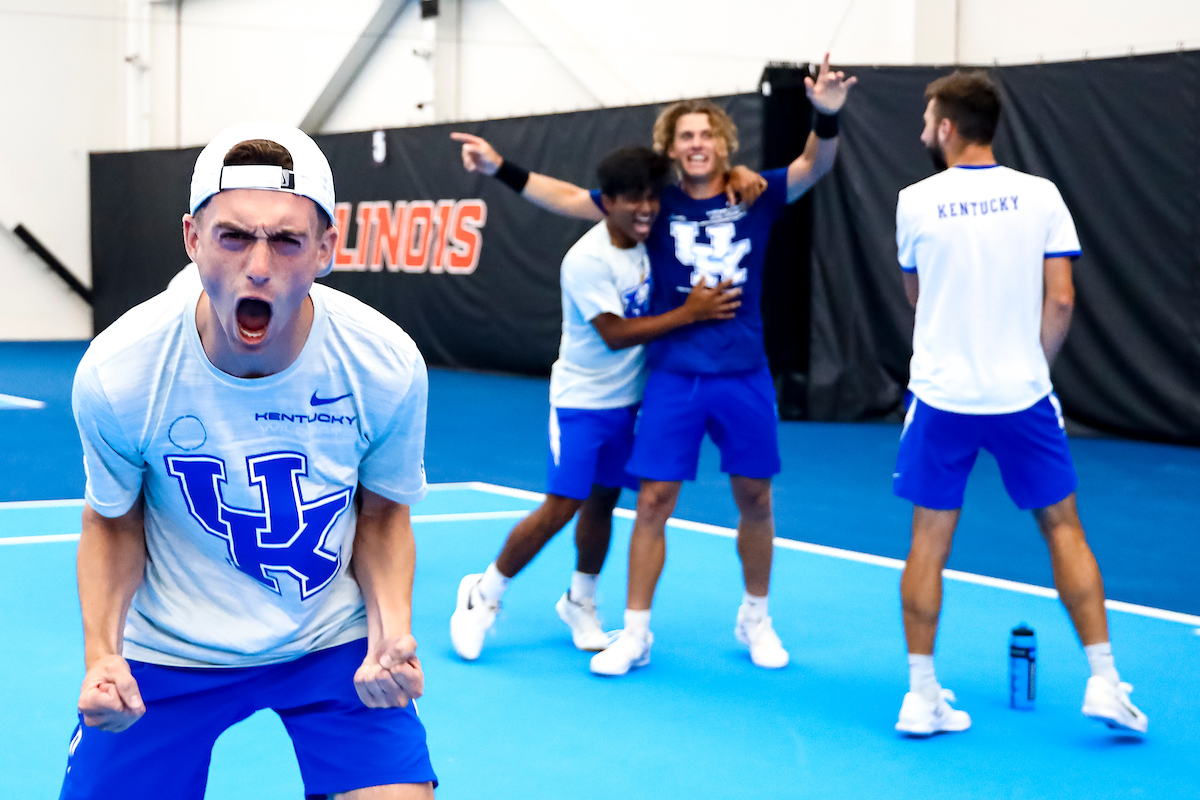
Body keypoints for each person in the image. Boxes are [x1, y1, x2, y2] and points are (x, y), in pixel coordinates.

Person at [62, 123, 438, 799]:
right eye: (234, 236)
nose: (258, 266)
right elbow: (113, 523)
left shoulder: (383, 364)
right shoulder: (122, 371)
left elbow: (382, 515)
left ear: (326, 247)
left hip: (328, 642)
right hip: (170, 652)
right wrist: (103, 655)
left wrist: (391, 633)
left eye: (287, 240)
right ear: (192, 239)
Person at [452, 54, 855, 676]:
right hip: (669, 377)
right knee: (650, 502)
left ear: (724, 142)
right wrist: (499, 167)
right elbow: (564, 197)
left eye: (707, 134)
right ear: (672, 148)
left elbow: (813, 165)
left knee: (754, 498)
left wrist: (824, 114)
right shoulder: (652, 206)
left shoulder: (757, 193)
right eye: (685, 135)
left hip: (745, 374)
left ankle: (755, 617)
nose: (697, 143)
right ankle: (633, 634)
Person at [891, 70, 1148, 736]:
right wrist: (1032, 366)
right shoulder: (1042, 197)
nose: (924, 132)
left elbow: (917, 299)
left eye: (927, 121)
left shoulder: (913, 200)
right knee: (1063, 528)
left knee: (929, 541)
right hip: (1022, 396)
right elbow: (1060, 299)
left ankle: (921, 697)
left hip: (942, 394)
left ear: (947, 127)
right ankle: (1103, 682)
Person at [448, 146, 741, 660]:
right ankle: (483, 594)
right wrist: (692, 313)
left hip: (628, 405)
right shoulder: (586, 259)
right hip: (580, 403)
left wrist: (741, 177)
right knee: (563, 504)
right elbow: (615, 333)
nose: (646, 208)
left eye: (652, 197)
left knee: (605, 501)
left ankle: (580, 600)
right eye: (632, 199)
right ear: (607, 202)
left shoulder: (654, 242)